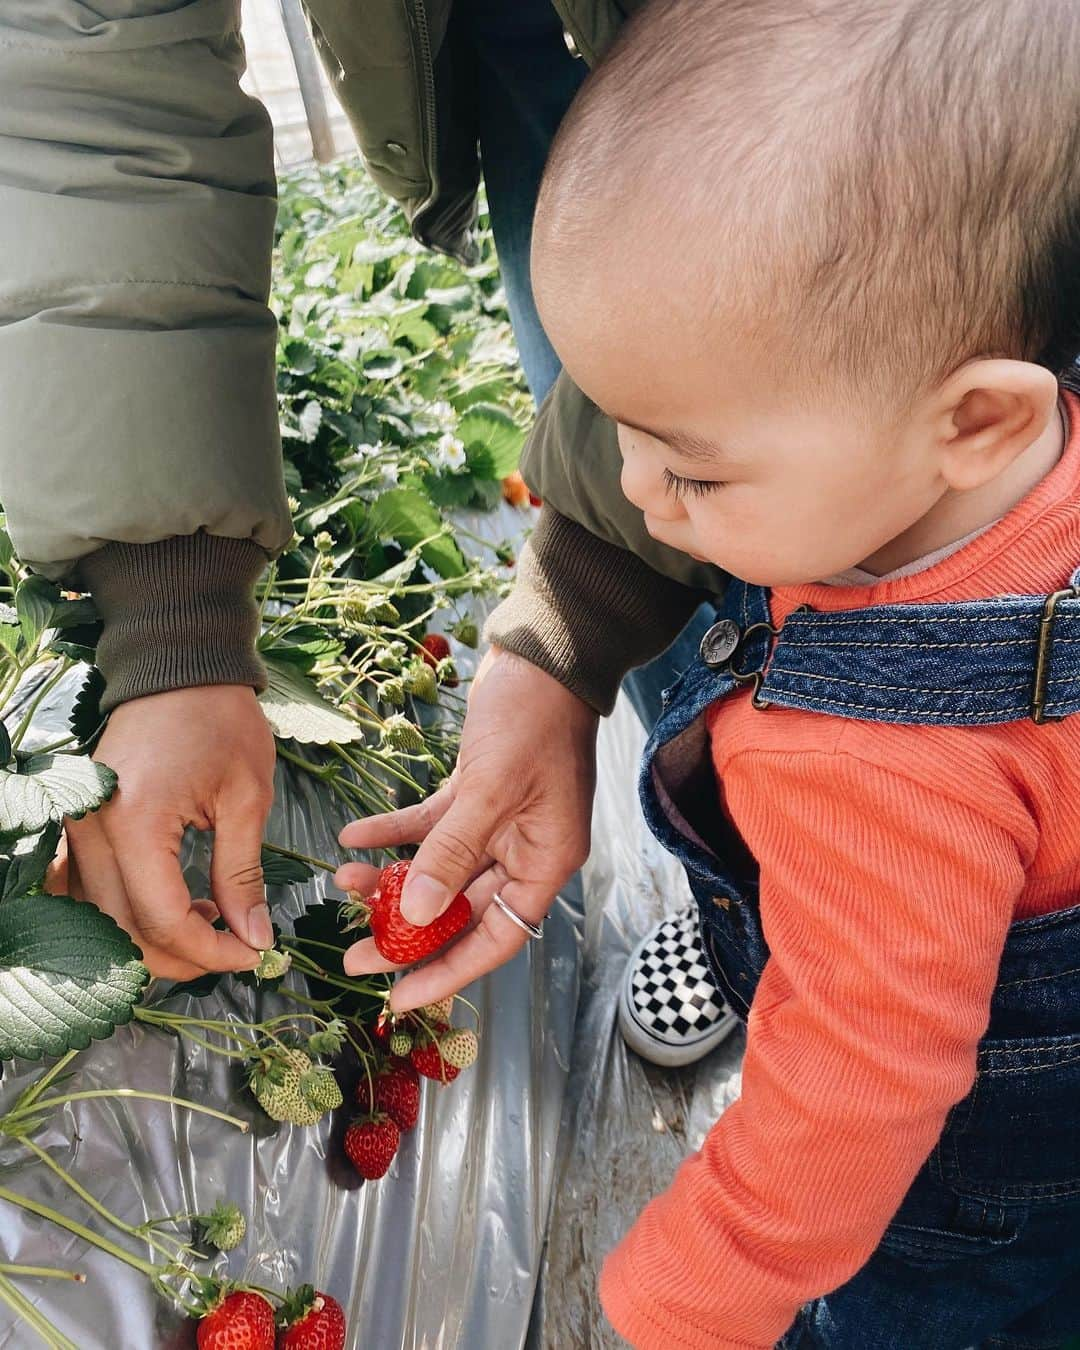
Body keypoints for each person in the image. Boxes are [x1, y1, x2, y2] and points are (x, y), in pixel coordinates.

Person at [343, 0, 1080, 1345]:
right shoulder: (1002, 456)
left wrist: (681, 1294)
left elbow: (851, 1097)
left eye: (690, 466)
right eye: (616, 428)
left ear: (977, 418)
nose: (633, 492)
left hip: (965, 1167)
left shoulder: (865, 767)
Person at [5, 0, 735, 1047]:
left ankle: (847, 904)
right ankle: (725, 881)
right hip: (513, 37)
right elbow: (94, 55)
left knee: (812, 500)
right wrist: (173, 620)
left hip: (827, 65)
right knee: (610, 407)